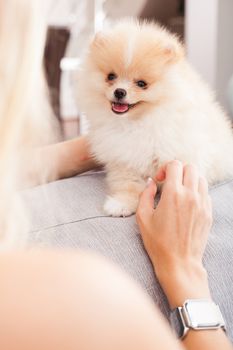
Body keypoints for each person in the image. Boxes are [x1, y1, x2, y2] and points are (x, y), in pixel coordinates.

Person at [0, 0, 232, 349]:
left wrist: (79, 153)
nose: (121, 89)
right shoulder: (89, 297)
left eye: (140, 83)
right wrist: (184, 272)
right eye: (111, 78)